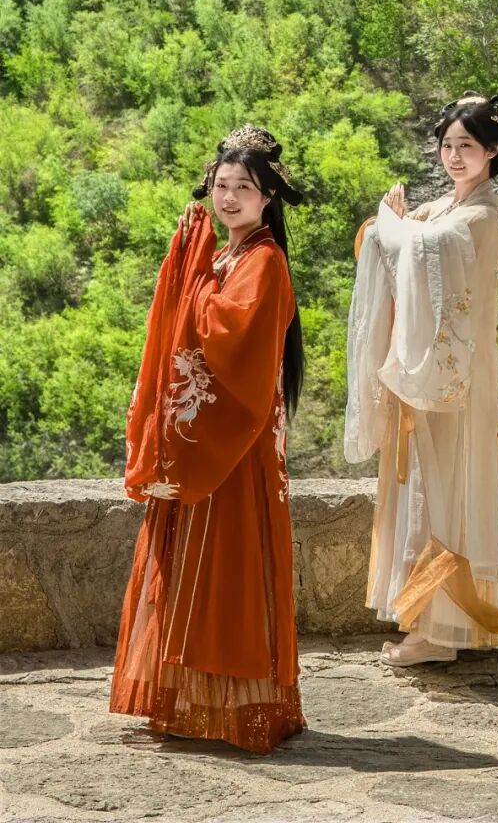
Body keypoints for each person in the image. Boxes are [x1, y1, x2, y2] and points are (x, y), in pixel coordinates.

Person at [110, 126, 305, 752]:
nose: (229, 197)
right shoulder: (227, 257)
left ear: (267, 197)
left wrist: (191, 275)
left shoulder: (264, 262)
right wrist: (192, 269)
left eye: (244, 187)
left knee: (226, 567)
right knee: (192, 565)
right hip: (205, 441)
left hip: (235, 445)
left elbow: (229, 335)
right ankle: (187, 701)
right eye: (222, 185)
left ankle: (230, 707)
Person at [345, 92, 498, 665]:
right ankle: (426, 619)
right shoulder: (444, 209)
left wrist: (392, 223)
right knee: (426, 484)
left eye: (467, 146)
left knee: (449, 485)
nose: (454, 156)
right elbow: (401, 244)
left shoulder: (479, 217)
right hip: (434, 372)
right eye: (447, 145)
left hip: (459, 378)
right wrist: (393, 226)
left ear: (492, 151)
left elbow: (415, 247)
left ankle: (443, 629)